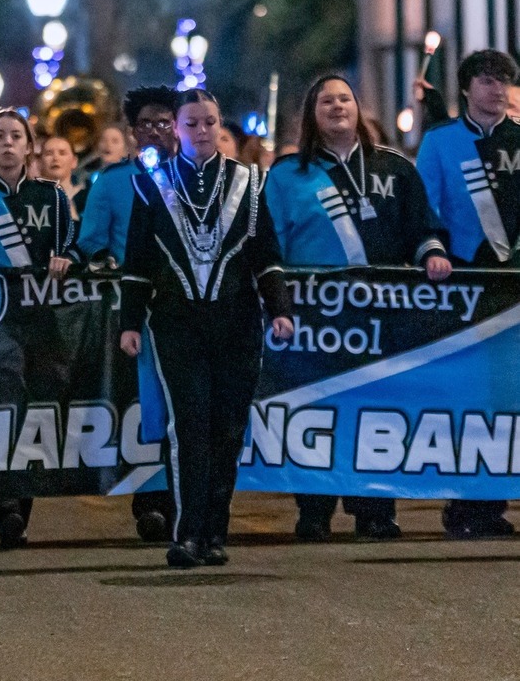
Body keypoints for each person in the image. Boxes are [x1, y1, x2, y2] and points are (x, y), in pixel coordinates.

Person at [265, 75, 451, 542]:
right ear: (312, 115)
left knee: (377, 409)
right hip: (316, 319)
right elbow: (270, 247)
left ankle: (376, 510)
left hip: (381, 316)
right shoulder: (286, 175)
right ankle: (314, 510)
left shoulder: (395, 167)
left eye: (344, 98)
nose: (336, 106)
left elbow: (422, 228)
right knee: (317, 411)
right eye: (326, 101)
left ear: (357, 107)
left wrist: (432, 254)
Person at [120, 88, 294, 568]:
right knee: (188, 426)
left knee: (228, 429)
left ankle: (216, 531)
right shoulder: (152, 184)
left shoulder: (248, 182)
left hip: (237, 324)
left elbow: (266, 256)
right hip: (176, 325)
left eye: (210, 122)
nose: (201, 131)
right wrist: (129, 322)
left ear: (220, 125)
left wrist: (279, 309)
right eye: (191, 123)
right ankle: (188, 534)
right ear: (176, 128)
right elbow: (138, 262)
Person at [0, 108, 78, 549]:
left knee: (34, 410)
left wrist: (66, 259)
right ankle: (0, 502)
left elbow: (72, 245)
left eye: (15, 136)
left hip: (40, 319)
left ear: (29, 147)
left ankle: (19, 509)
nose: (7, 143)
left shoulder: (51, 196)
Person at [416, 49, 520, 539]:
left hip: (513, 282)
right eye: (486, 80)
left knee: (506, 394)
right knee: (467, 395)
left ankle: (493, 500)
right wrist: (434, 251)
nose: (496, 89)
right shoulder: (440, 142)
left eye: (503, 81)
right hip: (460, 284)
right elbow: (425, 208)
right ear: (465, 88)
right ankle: (466, 502)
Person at [78, 85, 179, 543]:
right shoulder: (113, 181)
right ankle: (152, 502)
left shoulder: (197, 177)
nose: (155, 130)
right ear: (133, 132)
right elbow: (91, 242)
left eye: (164, 122)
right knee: (145, 408)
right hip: (135, 313)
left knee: (185, 410)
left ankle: (185, 500)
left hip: (188, 310)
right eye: (146, 124)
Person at [39, 135, 88, 222]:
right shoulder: (31, 197)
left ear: (74, 161)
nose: (55, 158)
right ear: (40, 162)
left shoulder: (88, 197)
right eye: (49, 154)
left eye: (62, 153)